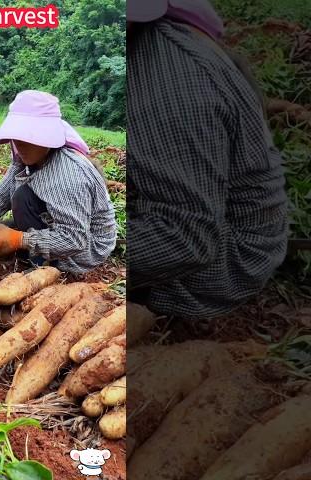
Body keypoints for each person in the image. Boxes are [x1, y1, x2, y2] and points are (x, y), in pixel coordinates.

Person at [127, 0, 288, 318]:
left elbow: (187, 238)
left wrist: (70, 247)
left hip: (225, 262)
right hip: (208, 221)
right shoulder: (148, 43)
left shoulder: (165, 85)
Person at [0, 90, 116, 274]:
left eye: (28, 138)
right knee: (1, 225)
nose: (20, 145)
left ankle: (48, 266)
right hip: (54, 222)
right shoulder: (27, 158)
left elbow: (75, 240)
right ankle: (29, 246)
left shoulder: (68, 174)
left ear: (48, 136)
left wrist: (19, 240)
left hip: (84, 251)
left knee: (22, 198)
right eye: (17, 138)